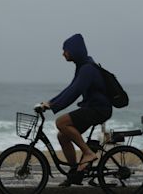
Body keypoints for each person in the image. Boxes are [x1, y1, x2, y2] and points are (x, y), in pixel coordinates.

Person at [41, 33, 112, 181]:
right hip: (92, 108)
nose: (63, 54)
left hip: (98, 109)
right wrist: (50, 102)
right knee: (63, 136)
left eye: (65, 50)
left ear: (75, 50)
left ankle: (88, 153)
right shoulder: (82, 67)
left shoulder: (87, 69)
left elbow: (74, 92)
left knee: (61, 122)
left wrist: (53, 105)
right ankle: (75, 174)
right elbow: (70, 88)